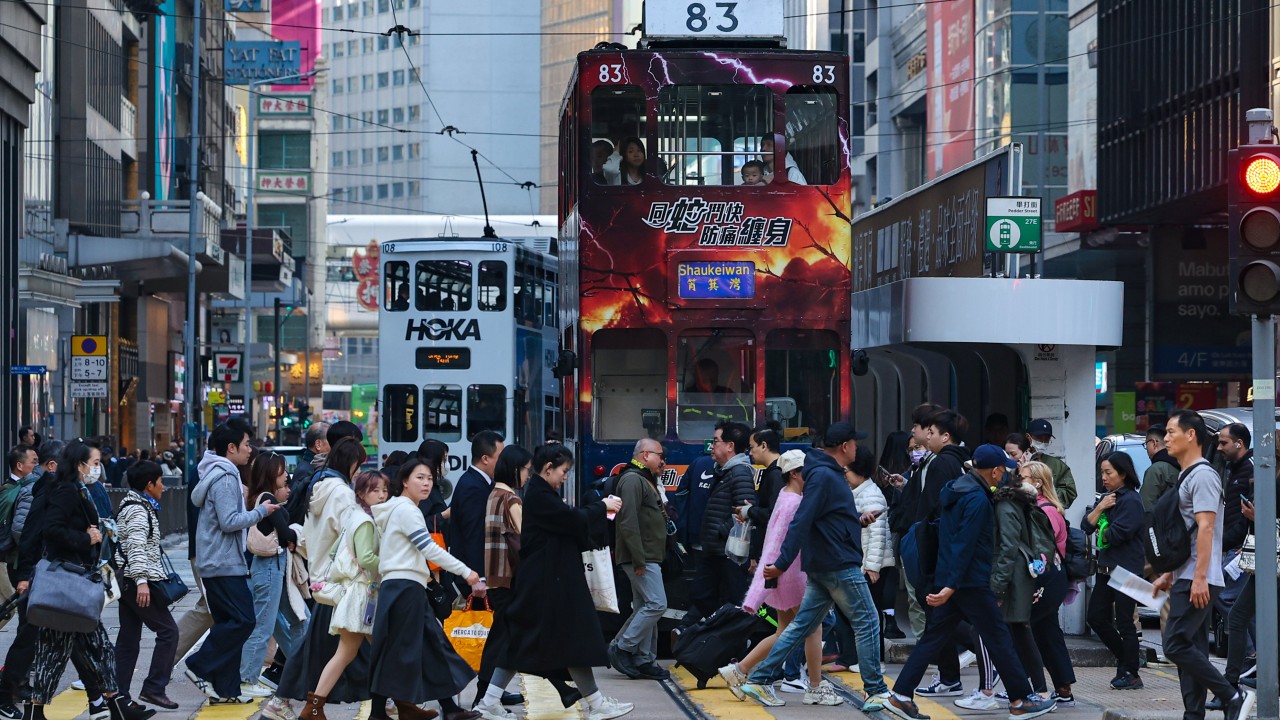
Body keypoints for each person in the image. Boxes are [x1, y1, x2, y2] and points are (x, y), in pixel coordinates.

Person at [883, 445, 1056, 720]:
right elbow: (965, 544)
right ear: (996, 470)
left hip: (955, 579)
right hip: (970, 582)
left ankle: (901, 694)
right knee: (999, 639)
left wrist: (947, 584)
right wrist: (951, 586)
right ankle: (1021, 700)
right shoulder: (976, 498)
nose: (1004, 476)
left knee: (934, 637)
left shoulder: (956, 489)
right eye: (1003, 471)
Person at [726, 423, 887, 710]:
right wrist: (780, 564)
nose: (857, 448)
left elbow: (826, 517)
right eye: (854, 442)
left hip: (824, 563)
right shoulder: (825, 475)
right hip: (836, 563)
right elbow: (800, 523)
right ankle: (875, 689)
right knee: (868, 621)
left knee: (802, 626)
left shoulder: (825, 473)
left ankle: (759, 678)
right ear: (844, 446)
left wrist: (858, 520)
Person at [501, 445, 632, 720]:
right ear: (548, 468)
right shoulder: (540, 495)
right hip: (549, 584)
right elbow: (572, 520)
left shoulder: (541, 493)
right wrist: (602, 506)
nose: (565, 477)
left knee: (538, 643)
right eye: (563, 471)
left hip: (551, 582)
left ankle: (595, 703)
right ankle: (595, 704)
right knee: (559, 641)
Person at [27, 440, 151, 720]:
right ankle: (109, 704)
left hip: (77, 584)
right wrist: (88, 538)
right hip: (69, 585)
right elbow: (52, 530)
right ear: (79, 465)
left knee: (93, 648)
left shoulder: (78, 490)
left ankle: (112, 704)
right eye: (94, 463)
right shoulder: (67, 492)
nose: (98, 468)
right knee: (61, 651)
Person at [1152, 410, 1253, 720]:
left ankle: (1230, 694)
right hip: (1186, 573)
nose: (1165, 439)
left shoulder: (1204, 475)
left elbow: (1207, 527)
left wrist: (1198, 578)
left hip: (1198, 577)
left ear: (1191, 435)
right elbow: (1190, 534)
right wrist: (1170, 572)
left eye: (1171, 432)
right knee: (1190, 646)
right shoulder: (1188, 474)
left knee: (1174, 644)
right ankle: (1193, 713)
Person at [371, 458, 487, 720]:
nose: (426, 483)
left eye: (429, 479)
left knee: (430, 646)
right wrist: (466, 572)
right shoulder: (406, 510)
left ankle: (448, 708)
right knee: (408, 649)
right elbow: (429, 548)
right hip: (405, 589)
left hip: (402, 587)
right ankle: (379, 713)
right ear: (404, 481)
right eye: (419, 478)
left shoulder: (397, 509)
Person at [719, 449, 837, 707]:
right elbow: (781, 543)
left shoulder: (785, 496)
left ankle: (739, 670)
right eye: (806, 471)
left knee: (784, 630)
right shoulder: (795, 502)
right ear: (794, 473)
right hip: (790, 573)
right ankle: (815, 687)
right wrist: (769, 575)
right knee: (813, 627)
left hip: (781, 573)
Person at [277, 438, 374, 714]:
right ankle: (284, 701)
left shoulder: (318, 488)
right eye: (359, 464)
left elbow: (308, 537)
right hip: (341, 582)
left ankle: (386, 700)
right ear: (351, 463)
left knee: (329, 650)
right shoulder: (342, 493)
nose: (359, 471)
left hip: (322, 578)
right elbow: (350, 537)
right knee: (322, 650)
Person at [186, 419, 279, 703]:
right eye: (247, 444)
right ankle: (200, 664)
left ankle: (226, 690)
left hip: (217, 560)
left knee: (230, 622)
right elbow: (229, 522)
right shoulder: (226, 476)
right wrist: (261, 512)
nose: (250, 449)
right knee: (243, 620)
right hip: (222, 561)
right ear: (231, 447)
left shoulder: (216, 473)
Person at [306, 470, 396, 720]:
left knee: (359, 653)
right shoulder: (366, 521)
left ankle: (315, 708)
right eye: (375, 490)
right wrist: (392, 561)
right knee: (365, 652)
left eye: (384, 490)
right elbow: (367, 558)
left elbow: (336, 550)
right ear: (361, 493)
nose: (381, 495)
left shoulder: (355, 517)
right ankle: (396, 705)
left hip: (356, 594)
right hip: (362, 595)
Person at [113, 461, 180, 710]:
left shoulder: (136, 505)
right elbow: (136, 546)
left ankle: (119, 698)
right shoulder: (138, 510)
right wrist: (142, 581)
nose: (163, 485)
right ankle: (154, 688)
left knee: (128, 640)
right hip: (137, 581)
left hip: (129, 581)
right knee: (169, 632)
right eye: (160, 481)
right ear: (149, 484)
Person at [472, 445, 533, 715]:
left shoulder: (493, 495)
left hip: (496, 577)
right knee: (507, 640)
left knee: (502, 638)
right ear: (515, 469)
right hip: (511, 579)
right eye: (526, 470)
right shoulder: (512, 501)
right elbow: (526, 541)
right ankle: (486, 698)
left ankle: (486, 695)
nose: (528, 475)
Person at [1081, 451, 1146, 689]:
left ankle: (1130, 672)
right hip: (1106, 569)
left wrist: (1102, 532)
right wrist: (1100, 509)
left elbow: (1118, 534)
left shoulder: (1131, 500)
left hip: (1127, 570)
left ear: (1123, 473)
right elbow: (1085, 527)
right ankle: (1127, 659)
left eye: (1108, 472)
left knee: (1125, 622)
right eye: (1102, 473)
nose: (1104, 477)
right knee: (1095, 617)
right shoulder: (1109, 498)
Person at [608, 439, 670, 681]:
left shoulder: (645, 479)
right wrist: (638, 559)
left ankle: (644, 659)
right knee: (657, 604)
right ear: (645, 455)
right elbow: (628, 522)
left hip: (648, 555)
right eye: (659, 455)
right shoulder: (633, 480)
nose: (663, 460)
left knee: (646, 606)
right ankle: (623, 647)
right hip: (641, 557)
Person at [240, 452, 300, 698]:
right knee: (264, 626)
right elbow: (286, 534)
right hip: (269, 567)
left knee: (297, 620)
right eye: (282, 470)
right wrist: (295, 537)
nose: (286, 475)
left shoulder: (264, 497)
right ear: (270, 473)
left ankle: (301, 672)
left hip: (274, 567)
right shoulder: (267, 499)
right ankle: (246, 679)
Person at [1022, 461, 1076, 705]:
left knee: (1023, 629)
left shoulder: (1043, 511)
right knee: (1048, 632)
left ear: (1037, 483)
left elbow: (1039, 550)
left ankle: (1026, 687)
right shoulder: (1046, 508)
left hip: (1046, 578)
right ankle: (1063, 689)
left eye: (1022, 477)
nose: (1018, 481)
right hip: (1053, 578)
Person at [690, 422, 756, 620]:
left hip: (728, 552)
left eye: (716, 441)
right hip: (716, 550)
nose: (712, 446)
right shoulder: (725, 470)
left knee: (732, 600)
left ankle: (734, 642)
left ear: (730, 446)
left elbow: (746, 509)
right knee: (701, 595)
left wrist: (721, 530)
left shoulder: (740, 472)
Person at [844, 446, 891, 668]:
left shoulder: (871, 495)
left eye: (847, 471)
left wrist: (872, 567)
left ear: (859, 471)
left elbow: (877, 535)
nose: (844, 475)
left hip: (872, 566)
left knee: (870, 615)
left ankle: (876, 660)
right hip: (865, 564)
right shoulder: (859, 492)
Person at [450, 430, 504, 595]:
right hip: (475, 580)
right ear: (485, 459)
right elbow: (474, 534)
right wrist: (479, 577)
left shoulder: (478, 482)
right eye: (500, 458)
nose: (503, 463)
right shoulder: (473, 487)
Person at [738, 425, 784, 577]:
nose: (750, 452)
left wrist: (749, 511)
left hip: (773, 550)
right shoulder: (772, 471)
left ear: (764, 445)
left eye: (752, 447)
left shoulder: (776, 474)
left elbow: (774, 515)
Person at [1216, 423, 1253, 553]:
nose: (1219, 448)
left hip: (1242, 548)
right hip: (1232, 545)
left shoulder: (1252, 468)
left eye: (1224, 443)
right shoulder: (1233, 468)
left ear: (1239, 443)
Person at [1025, 419, 1078, 509]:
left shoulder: (1057, 465)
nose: (1042, 443)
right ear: (1028, 437)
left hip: (1046, 514)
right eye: (1039, 438)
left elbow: (1070, 494)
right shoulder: (1017, 459)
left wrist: (1046, 491)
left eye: (1046, 439)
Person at [1140, 425, 1179, 511]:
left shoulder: (1156, 470)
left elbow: (1146, 506)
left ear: (1154, 443)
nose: (1146, 449)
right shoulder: (1181, 463)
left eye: (1146, 444)